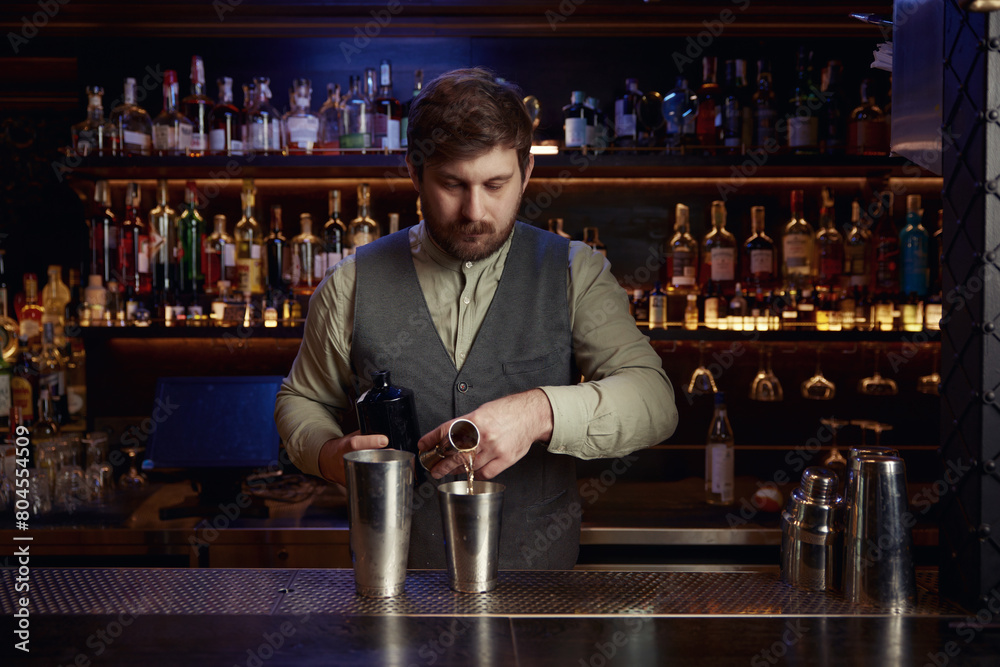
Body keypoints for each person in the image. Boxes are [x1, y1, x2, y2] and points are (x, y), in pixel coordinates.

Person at [274, 67, 678, 570]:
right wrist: (329, 454)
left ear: (527, 173)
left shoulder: (576, 270)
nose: (475, 210)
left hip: (539, 601)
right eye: (452, 184)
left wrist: (538, 412)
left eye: (495, 184)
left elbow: (655, 400)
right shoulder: (351, 282)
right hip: (394, 589)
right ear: (414, 172)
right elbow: (302, 400)